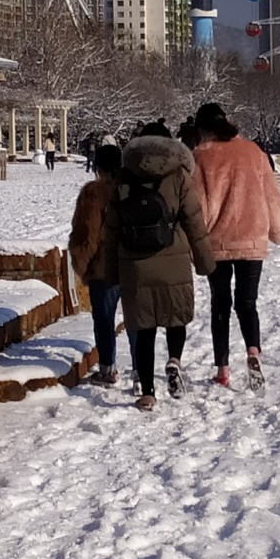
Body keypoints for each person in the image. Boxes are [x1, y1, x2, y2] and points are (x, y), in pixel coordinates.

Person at [108, 121, 214, 411]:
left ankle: (147, 391)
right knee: (175, 317)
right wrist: (205, 261)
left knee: (144, 327)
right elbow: (193, 219)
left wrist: (108, 270)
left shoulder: (122, 175)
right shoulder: (178, 175)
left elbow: (111, 227)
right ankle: (174, 360)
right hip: (174, 256)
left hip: (134, 261)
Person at [192, 101, 280, 390]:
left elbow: (199, 206)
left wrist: (196, 241)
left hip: (217, 241)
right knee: (248, 303)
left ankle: (222, 370)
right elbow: (272, 196)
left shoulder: (201, 156)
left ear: (201, 129)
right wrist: (277, 231)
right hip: (252, 237)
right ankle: (253, 352)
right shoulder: (254, 152)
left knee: (220, 304)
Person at [68, 144, 132, 388]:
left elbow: (87, 233)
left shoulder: (94, 193)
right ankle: (140, 370)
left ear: (98, 167)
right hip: (131, 262)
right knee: (135, 320)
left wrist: (81, 265)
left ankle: (108, 368)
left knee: (104, 318)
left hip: (103, 266)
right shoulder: (131, 189)